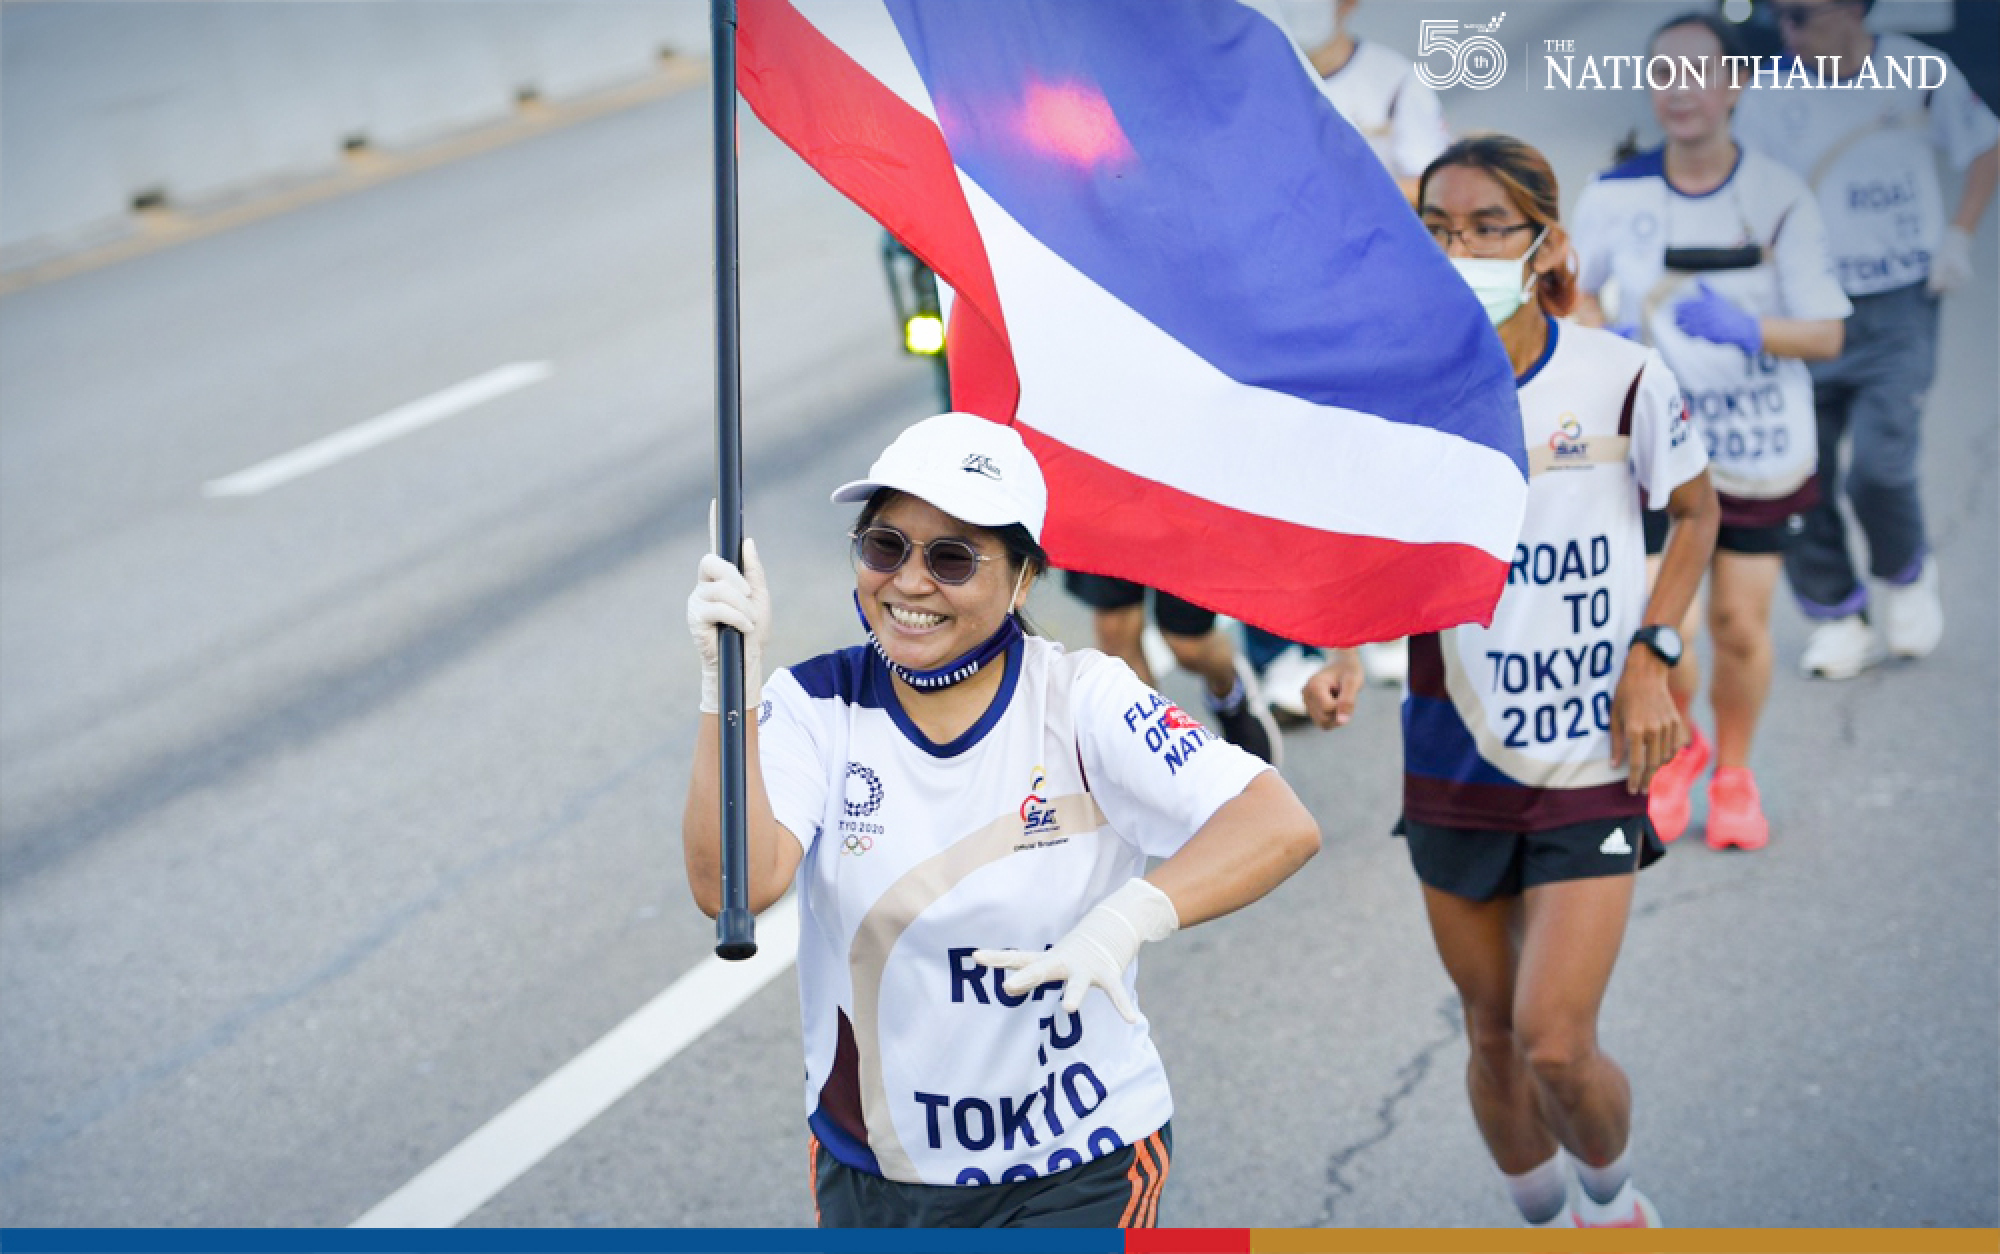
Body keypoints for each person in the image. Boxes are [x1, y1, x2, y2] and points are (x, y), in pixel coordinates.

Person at [682, 412, 1321, 1228]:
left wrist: (1125, 922)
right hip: (877, 1171)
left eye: (952, 558)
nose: (911, 583)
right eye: (885, 546)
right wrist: (727, 690)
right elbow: (729, 887)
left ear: (1023, 581)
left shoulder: (1083, 698)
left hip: (1076, 1166)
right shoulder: (814, 704)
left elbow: (1276, 823)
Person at [1309, 135, 1717, 1228]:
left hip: (1591, 755)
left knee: (1553, 1042)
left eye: (1487, 227)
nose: (1460, 250)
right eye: (1437, 229)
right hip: (1455, 752)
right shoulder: (1399, 395)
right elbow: (1367, 552)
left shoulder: (1620, 377)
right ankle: (1543, 1223)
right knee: (1490, 1033)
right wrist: (1338, 652)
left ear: (1545, 246)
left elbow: (1695, 512)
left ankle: (1613, 1207)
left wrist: (1654, 651)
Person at [1570, 12, 1852, 850]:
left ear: (1736, 85)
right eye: (1663, 74)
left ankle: (1734, 772)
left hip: (1759, 447)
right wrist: (1601, 332)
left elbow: (1827, 332)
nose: (1679, 91)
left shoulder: (1777, 194)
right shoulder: (1614, 195)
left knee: (1737, 625)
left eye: (1698, 73)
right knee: (1669, 630)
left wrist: (1750, 330)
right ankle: (1681, 745)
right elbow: (1573, 293)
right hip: (1658, 447)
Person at [1733, 0, 1999, 678]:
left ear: (1852, 8)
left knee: (1880, 467)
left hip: (1899, 302)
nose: (1789, 31)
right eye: (1780, 17)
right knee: (1802, 472)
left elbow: (1985, 142)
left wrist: (1960, 233)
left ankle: (1905, 572)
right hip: (1807, 309)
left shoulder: (1916, 69)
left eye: (1803, 15)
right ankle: (1837, 617)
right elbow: (1748, 197)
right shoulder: (1768, 95)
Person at [1061, 572, 1282, 765]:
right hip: (1112, 535)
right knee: (1116, 634)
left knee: (1188, 646)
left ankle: (1230, 696)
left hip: (1181, 535)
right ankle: (1150, 750)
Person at [1306, 0, 1451, 205]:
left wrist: (1346, 199)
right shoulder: (1264, 79)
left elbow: (1432, 185)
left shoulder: (1396, 79)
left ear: (1348, 4)